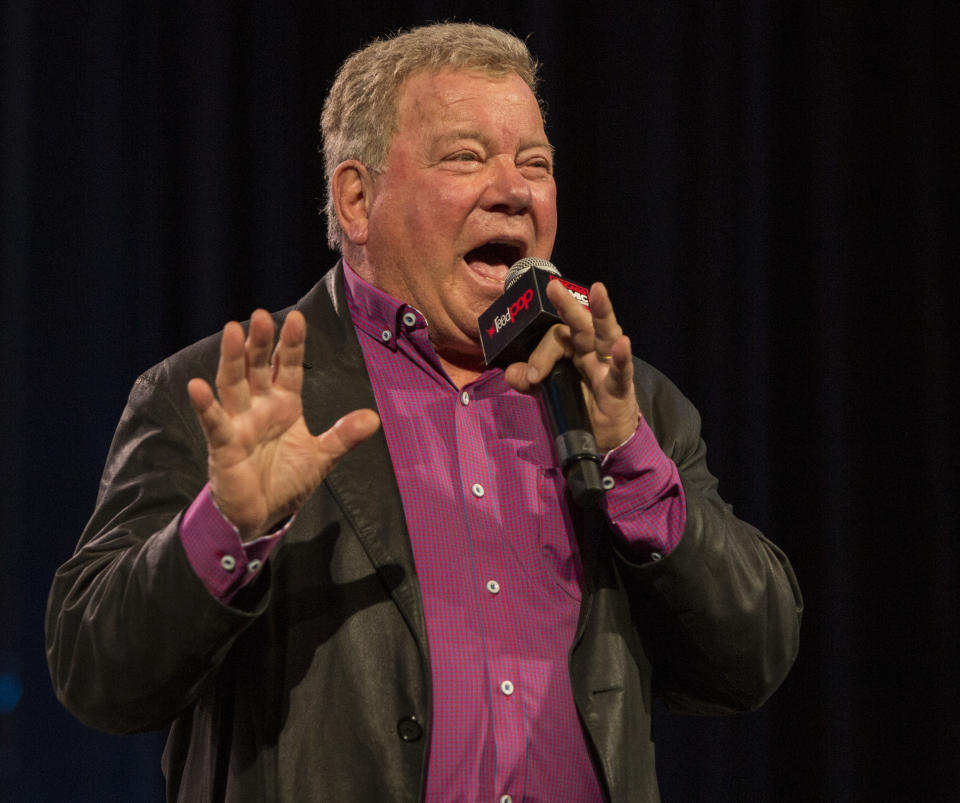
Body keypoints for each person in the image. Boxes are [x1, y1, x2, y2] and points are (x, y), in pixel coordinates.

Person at [46, 22, 802, 803]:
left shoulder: (624, 403)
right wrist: (226, 528)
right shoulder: (220, 397)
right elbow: (98, 677)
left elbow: (752, 661)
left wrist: (631, 457)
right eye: (466, 157)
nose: (515, 189)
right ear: (358, 197)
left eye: (534, 163)